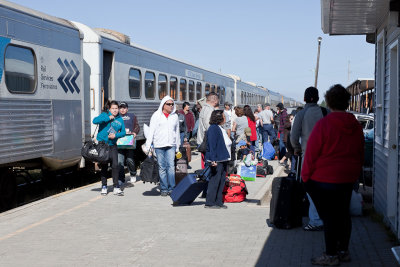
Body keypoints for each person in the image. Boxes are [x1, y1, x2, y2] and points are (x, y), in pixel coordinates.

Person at [302, 84, 364, 265]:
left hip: (324, 179)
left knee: (329, 217)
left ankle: (330, 255)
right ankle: (343, 251)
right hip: (347, 178)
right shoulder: (355, 125)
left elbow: (311, 155)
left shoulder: (324, 124)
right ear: (347, 102)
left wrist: (305, 178)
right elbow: (360, 152)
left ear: (329, 102)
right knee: (343, 215)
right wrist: (354, 174)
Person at [291, 86, 328, 231]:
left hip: (308, 156)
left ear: (305, 98)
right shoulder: (325, 112)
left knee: (311, 189)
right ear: (318, 98)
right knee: (326, 188)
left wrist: (296, 148)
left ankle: (316, 220)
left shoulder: (301, 114)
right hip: (326, 157)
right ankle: (326, 217)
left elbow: (294, 137)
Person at [145, 96, 180, 196]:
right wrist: (149, 146)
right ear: (163, 105)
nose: (171, 106)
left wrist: (177, 146)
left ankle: (172, 188)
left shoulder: (175, 116)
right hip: (159, 145)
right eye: (169, 104)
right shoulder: (156, 115)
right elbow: (151, 131)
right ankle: (164, 188)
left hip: (171, 145)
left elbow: (176, 132)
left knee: (171, 167)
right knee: (162, 167)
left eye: (172, 104)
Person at [93, 100, 126, 196]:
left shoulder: (120, 119)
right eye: (113, 109)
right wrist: (108, 118)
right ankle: (104, 187)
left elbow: (123, 132)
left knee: (115, 165)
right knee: (104, 166)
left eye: (116, 108)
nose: (115, 110)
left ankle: (116, 187)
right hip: (103, 146)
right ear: (109, 109)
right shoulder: (104, 115)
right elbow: (94, 121)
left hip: (113, 145)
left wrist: (115, 136)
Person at [205, 110, 232, 209]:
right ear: (219, 118)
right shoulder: (213, 128)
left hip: (223, 158)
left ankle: (218, 201)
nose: (225, 118)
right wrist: (213, 160)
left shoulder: (219, 128)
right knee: (215, 181)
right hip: (217, 159)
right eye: (224, 116)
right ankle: (210, 202)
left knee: (221, 180)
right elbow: (212, 145)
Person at [118, 102, 140, 184]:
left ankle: (133, 174)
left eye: (124, 108)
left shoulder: (132, 116)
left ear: (127, 109)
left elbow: (137, 126)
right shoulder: (117, 117)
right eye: (121, 108)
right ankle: (121, 178)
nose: (122, 109)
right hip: (120, 141)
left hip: (129, 141)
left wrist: (134, 132)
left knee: (129, 159)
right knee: (120, 161)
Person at [197, 92, 219, 168]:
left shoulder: (204, 108)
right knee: (209, 165)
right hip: (207, 142)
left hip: (203, 140)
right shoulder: (209, 110)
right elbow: (209, 127)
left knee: (206, 164)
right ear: (215, 101)